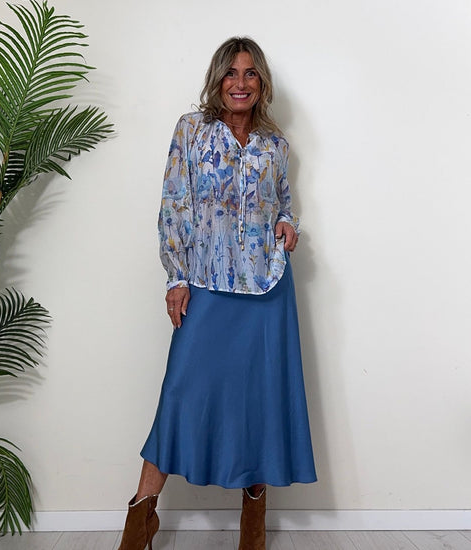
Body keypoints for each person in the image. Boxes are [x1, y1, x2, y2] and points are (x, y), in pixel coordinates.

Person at [118, 36, 317, 550]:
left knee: (260, 401)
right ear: (218, 80)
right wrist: (175, 277)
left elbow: (283, 203)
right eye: (231, 73)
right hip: (206, 283)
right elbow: (173, 203)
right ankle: (140, 521)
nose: (240, 83)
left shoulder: (276, 145)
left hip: (267, 289)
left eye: (250, 74)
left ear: (262, 83)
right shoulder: (191, 131)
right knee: (181, 395)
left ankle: (253, 527)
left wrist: (288, 224)